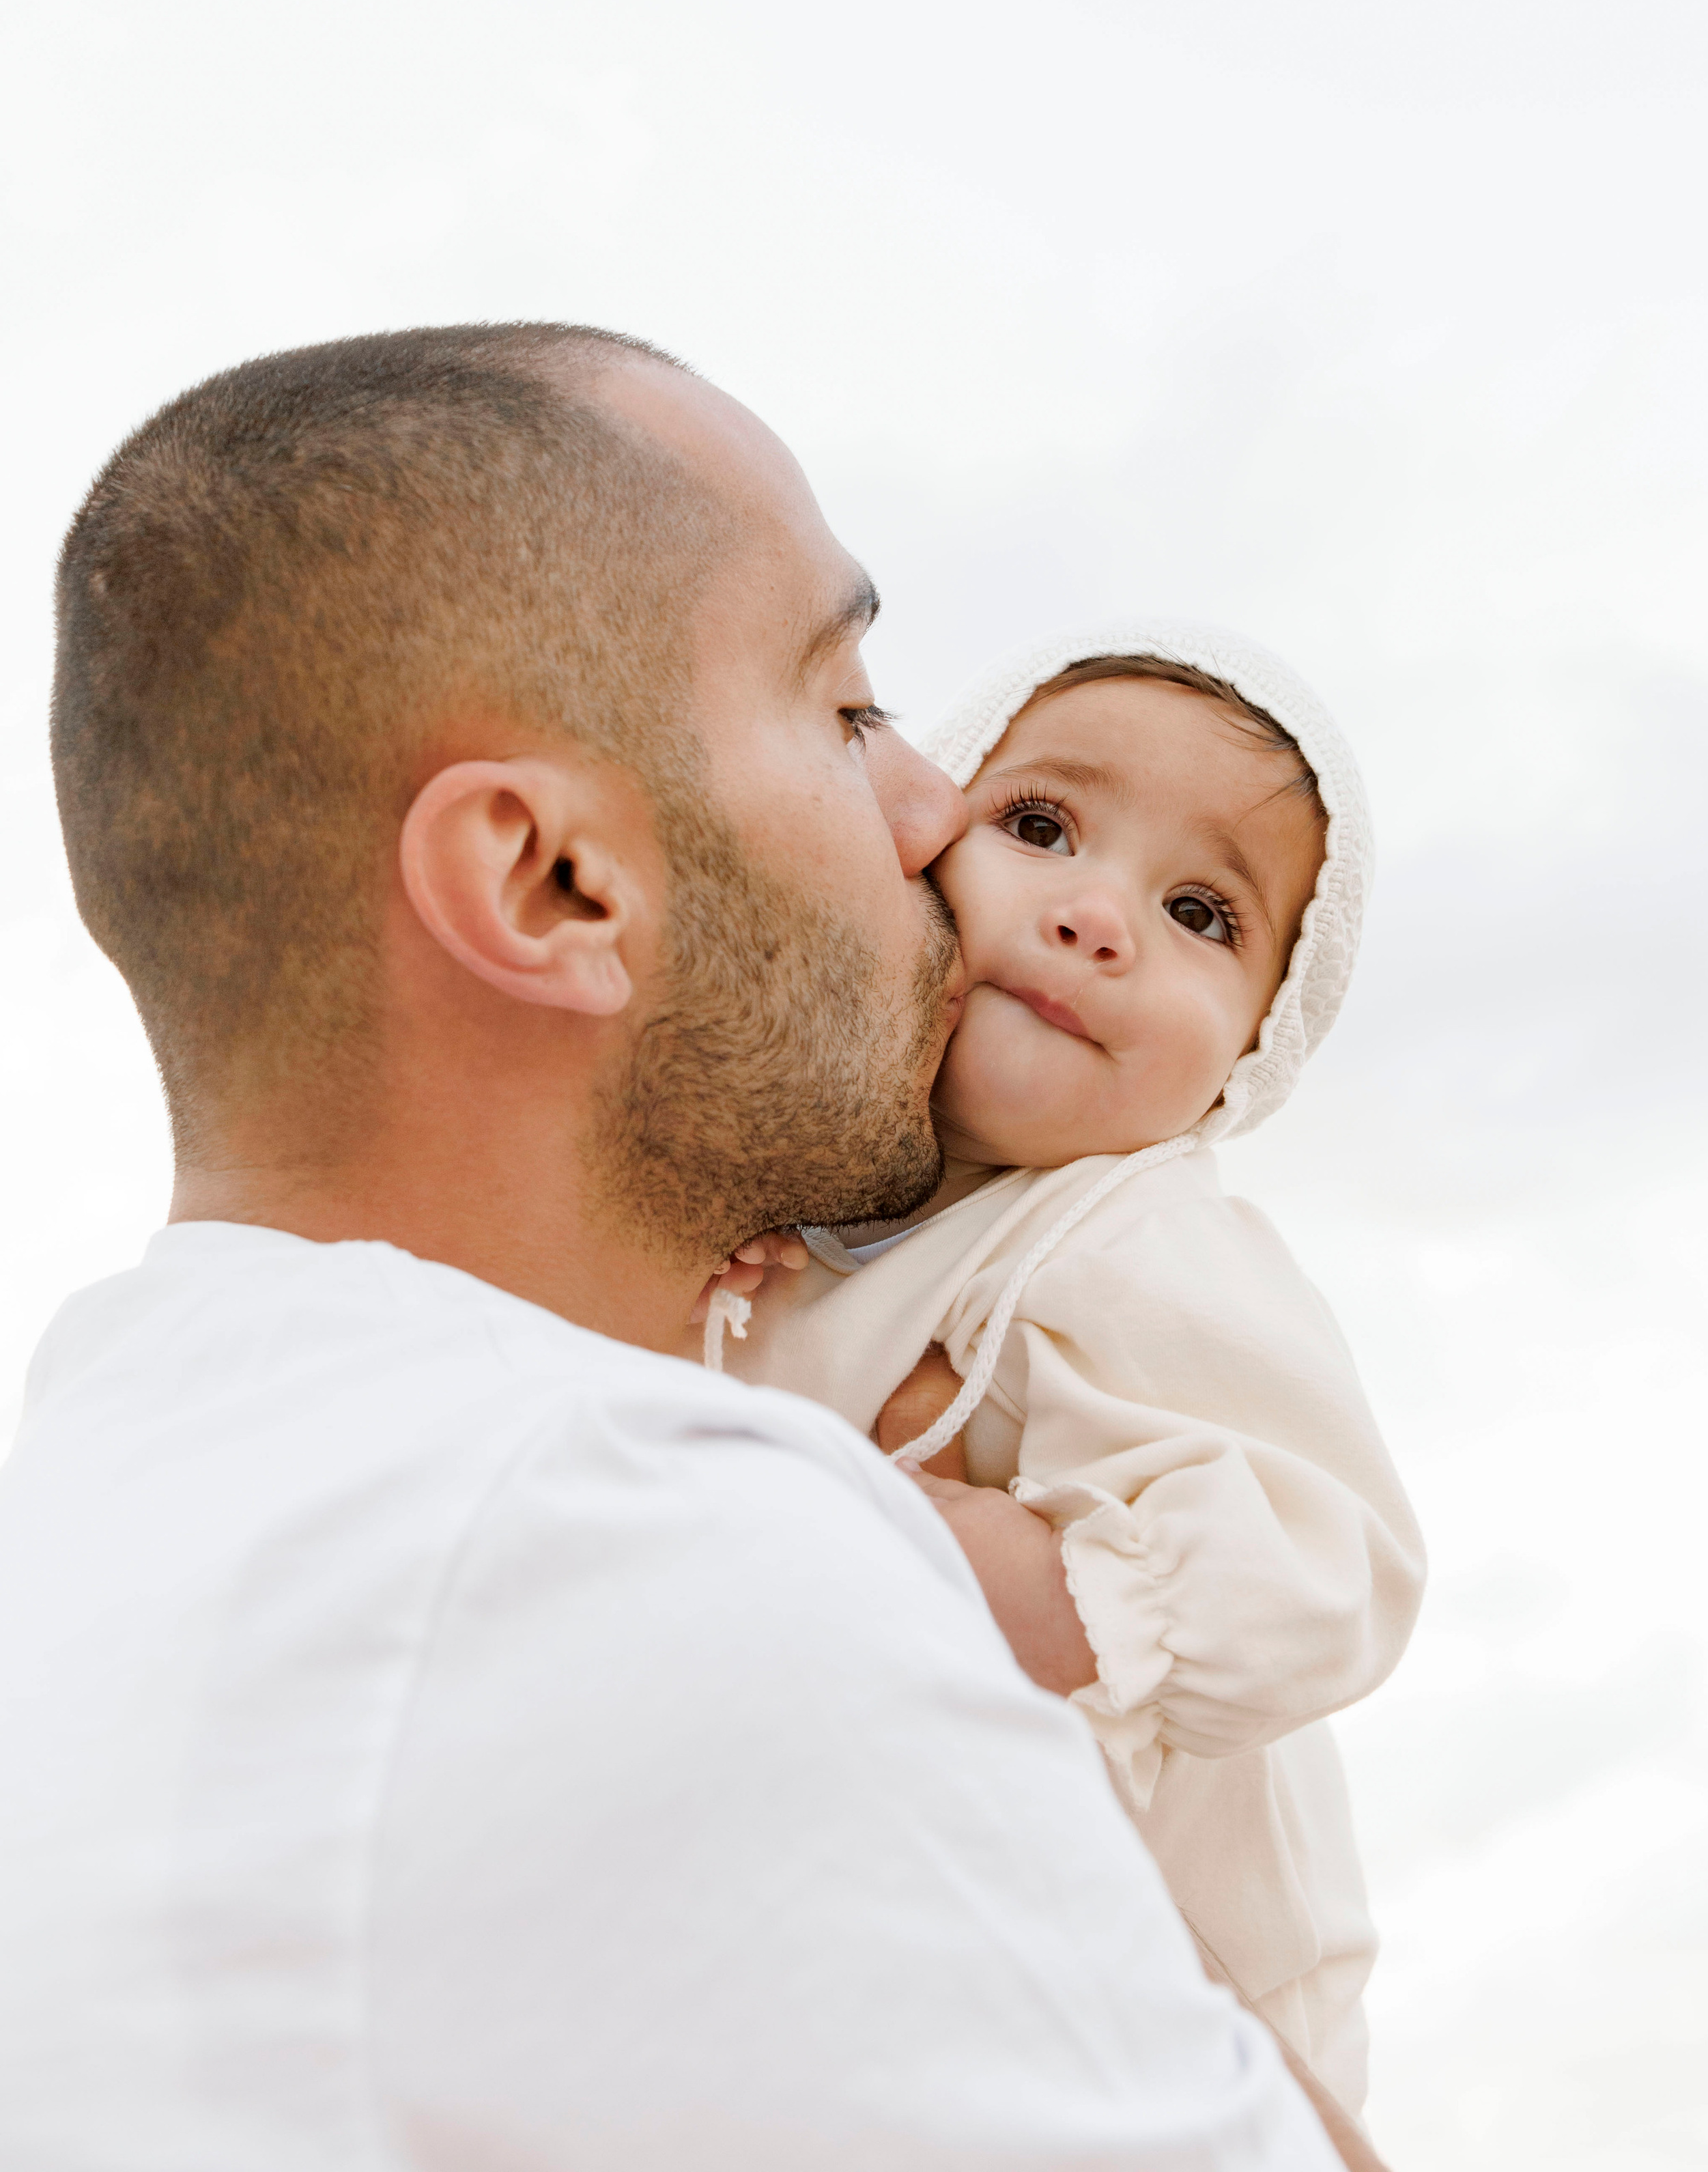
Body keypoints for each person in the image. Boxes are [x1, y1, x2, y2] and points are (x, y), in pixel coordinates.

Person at [0, 325, 1341, 2169]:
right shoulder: (651, 1557)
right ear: (556, 885)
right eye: (844, 707)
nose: (932, 810)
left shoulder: (113, 1509)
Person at [705, 626, 1425, 2115]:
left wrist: (1034, 1579)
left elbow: (1330, 1559)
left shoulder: (1131, 1232)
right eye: (1037, 828)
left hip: (1202, 1994)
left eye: (1198, 912)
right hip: (910, 1970)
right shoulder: (794, 1231)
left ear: (1242, 1063)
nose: (1098, 916)